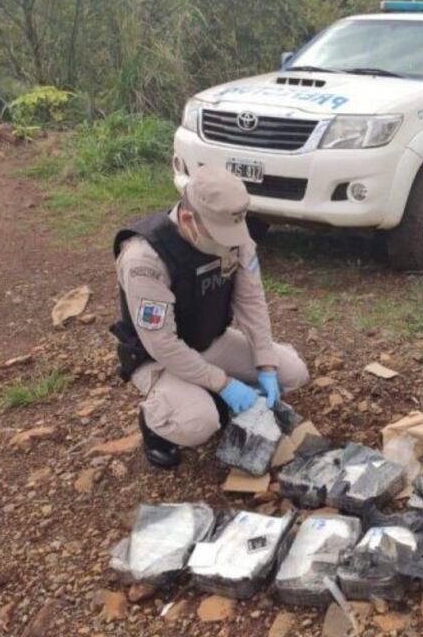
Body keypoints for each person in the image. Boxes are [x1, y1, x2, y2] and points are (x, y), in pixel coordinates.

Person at [110, 165, 309, 469]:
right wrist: (224, 384)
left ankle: (210, 392)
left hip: (210, 340)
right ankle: (157, 424)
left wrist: (265, 363)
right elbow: (161, 343)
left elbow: (251, 301)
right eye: (220, 236)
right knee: (197, 422)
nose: (229, 245)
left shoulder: (236, 236)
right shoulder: (144, 259)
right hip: (160, 359)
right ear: (189, 220)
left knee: (292, 373)